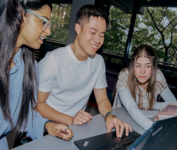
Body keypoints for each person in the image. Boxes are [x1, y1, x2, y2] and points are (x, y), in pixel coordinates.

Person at [0, 0, 73, 149]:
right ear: (21, 13)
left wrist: (47, 125)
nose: (48, 31)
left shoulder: (28, 66)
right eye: (44, 22)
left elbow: (21, 114)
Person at [36, 4, 132, 138]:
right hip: (47, 127)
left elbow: (103, 99)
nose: (98, 40)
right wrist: (70, 119)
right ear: (78, 28)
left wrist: (110, 116)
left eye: (102, 35)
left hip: (76, 127)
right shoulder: (54, 60)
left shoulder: (98, 62)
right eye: (92, 32)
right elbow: (38, 105)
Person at [114, 45, 177, 130]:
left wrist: (147, 105)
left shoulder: (158, 77)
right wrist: (155, 131)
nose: (142, 71)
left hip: (144, 120)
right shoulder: (125, 77)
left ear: (153, 67)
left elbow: (174, 105)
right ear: (133, 65)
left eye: (148, 66)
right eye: (138, 65)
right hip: (121, 122)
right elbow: (132, 108)